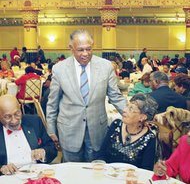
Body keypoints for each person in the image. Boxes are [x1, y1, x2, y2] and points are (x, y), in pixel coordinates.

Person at [46, 29, 126, 162]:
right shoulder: (59, 69)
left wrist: (132, 115)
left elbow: (116, 97)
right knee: (71, 172)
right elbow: (52, 102)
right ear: (71, 48)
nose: (85, 54)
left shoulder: (105, 66)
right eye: (80, 50)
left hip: (97, 130)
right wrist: (51, 129)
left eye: (89, 49)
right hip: (69, 129)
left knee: (95, 171)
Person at [0, 94, 57, 175]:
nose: (14, 121)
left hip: (37, 175)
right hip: (8, 177)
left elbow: (52, 148)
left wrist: (43, 152)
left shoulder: (35, 122)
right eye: (7, 117)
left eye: (17, 113)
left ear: (20, 107)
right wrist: (1, 168)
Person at [100, 93, 158, 170]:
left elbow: (146, 170)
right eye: (127, 106)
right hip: (108, 175)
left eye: (131, 109)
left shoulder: (149, 138)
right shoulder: (116, 125)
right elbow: (101, 154)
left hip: (132, 179)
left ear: (142, 117)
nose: (124, 110)